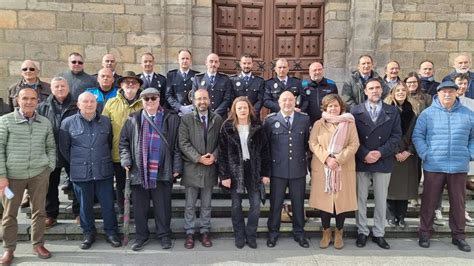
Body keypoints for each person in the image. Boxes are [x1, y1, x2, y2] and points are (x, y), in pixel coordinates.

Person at [413, 80, 474, 252]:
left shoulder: (468, 114)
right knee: (429, 202)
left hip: (458, 166)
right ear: (438, 94)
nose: (447, 94)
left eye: (450, 91)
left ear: (457, 93)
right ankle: (424, 233)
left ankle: (459, 236)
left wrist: (469, 154)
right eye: (444, 92)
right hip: (434, 165)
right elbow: (418, 136)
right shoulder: (427, 114)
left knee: (458, 203)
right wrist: (426, 154)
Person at [119, 88, 182, 251]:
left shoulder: (171, 118)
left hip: (162, 171)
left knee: (163, 207)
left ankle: (164, 235)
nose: (150, 101)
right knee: (140, 209)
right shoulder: (133, 119)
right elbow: (124, 142)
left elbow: (177, 145)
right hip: (139, 171)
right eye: (146, 99)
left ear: (159, 99)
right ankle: (141, 236)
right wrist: (126, 159)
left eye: (153, 98)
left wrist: (176, 166)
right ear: (141, 101)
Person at [0, 88, 56, 264]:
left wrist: (49, 167)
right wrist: (2, 175)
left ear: (38, 101)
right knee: (9, 214)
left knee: (39, 211)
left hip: (38, 174)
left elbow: (51, 147)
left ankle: (38, 244)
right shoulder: (5, 121)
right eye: (25, 98)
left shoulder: (44, 122)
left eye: (33, 99)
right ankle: (9, 249)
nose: (29, 102)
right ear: (18, 100)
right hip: (12, 176)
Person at [59, 92, 121, 250]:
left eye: (92, 101)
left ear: (97, 104)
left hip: (103, 169)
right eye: (85, 101)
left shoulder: (106, 122)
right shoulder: (67, 123)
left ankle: (111, 232)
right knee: (84, 206)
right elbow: (64, 149)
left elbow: (109, 143)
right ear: (78, 105)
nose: (89, 104)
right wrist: (78, 161)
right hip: (81, 171)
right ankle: (88, 233)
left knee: (107, 204)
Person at [351, 78, 401, 250]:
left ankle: (379, 233)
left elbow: (396, 137)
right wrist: (364, 153)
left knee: (381, 199)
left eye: (377, 88)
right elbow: (351, 137)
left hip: (383, 159)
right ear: (365, 91)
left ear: (382, 90)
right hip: (362, 159)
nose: (374, 91)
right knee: (361, 199)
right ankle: (362, 231)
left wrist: (380, 152)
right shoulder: (355, 111)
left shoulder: (393, 111)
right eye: (371, 88)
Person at [218, 97, 271, 249]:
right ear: (234, 110)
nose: (242, 110)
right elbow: (222, 154)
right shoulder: (227, 127)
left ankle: (251, 235)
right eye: (239, 108)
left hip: (253, 169)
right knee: (236, 205)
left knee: (256, 205)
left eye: (245, 108)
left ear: (250, 109)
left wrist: (265, 173)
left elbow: (265, 151)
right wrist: (224, 176)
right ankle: (239, 236)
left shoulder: (258, 126)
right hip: (235, 171)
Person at [308, 94, 359, 249]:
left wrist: (338, 159)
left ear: (341, 107)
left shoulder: (349, 123)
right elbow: (313, 143)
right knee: (324, 203)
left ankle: (339, 232)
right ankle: (326, 232)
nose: (333, 108)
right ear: (325, 108)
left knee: (340, 203)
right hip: (323, 168)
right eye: (330, 106)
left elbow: (354, 144)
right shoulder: (318, 124)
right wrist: (327, 158)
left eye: (336, 105)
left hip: (342, 168)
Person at [264, 91, 311, 249]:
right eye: (284, 100)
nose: (288, 103)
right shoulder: (270, 120)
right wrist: (266, 172)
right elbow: (266, 147)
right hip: (277, 170)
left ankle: (299, 233)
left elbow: (305, 144)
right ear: (279, 102)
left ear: (295, 101)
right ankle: (273, 233)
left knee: (298, 204)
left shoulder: (304, 119)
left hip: (298, 169)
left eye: (291, 100)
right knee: (275, 204)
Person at [179, 89, 224, 249]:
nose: (202, 102)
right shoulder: (186, 119)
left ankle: (205, 231)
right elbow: (183, 143)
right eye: (199, 99)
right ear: (193, 101)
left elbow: (222, 141)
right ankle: (189, 233)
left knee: (206, 204)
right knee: (190, 204)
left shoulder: (217, 119)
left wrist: (215, 156)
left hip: (210, 167)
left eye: (204, 98)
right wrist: (198, 158)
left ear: (209, 100)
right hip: (192, 167)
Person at [37, 77, 79, 228]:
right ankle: (51, 214)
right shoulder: (43, 107)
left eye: (62, 86)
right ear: (51, 89)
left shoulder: (77, 104)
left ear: (68, 88)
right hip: (51, 150)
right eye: (56, 87)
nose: (60, 89)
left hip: (73, 150)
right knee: (51, 184)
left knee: (76, 183)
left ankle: (78, 212)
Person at [102, 71, 143, 222]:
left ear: (138, 86)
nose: (130, 85)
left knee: (139, 185)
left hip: (140, 153)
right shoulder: (111, 103)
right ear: (121, 85)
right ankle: (122, 211)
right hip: (118, 152)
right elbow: (103, 128)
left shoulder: (144, 103)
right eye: (127, 82)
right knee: (120, 185)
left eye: (134, 83)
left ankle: (139, 211)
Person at [383, 83, 418, 228]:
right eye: (398, 90)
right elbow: (384, 133)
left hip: (408, 155)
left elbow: (417, 133)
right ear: (392, 92)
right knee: (390, 187)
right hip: (391, 154)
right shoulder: (386, 110)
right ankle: (390, 216)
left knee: (405, 188)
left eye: (404, 90)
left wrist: (408, 151)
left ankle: (401, 217)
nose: (401, 92)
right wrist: (396, 151)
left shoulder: (414, 110)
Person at [192, 53, 233, 117]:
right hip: (202, 115)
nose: (213, 64)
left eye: (216, 62)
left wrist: (215, 114)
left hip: (220, 116)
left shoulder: (225, 79)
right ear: (206, 63)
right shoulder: (198, 78)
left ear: (219, 64)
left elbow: (227, 99)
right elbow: (194, 98)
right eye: (211, 61)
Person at [166, 49, 199, 116]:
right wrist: (179, 107)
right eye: (182, 58)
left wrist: (193, 107)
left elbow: (199, 94)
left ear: (190, 61)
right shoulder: (171, 75)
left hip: (192, 113)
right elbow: (168, 95)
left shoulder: (197, 76)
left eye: (187, 58)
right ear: (178, 60)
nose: (185, 61)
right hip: (176, 113)